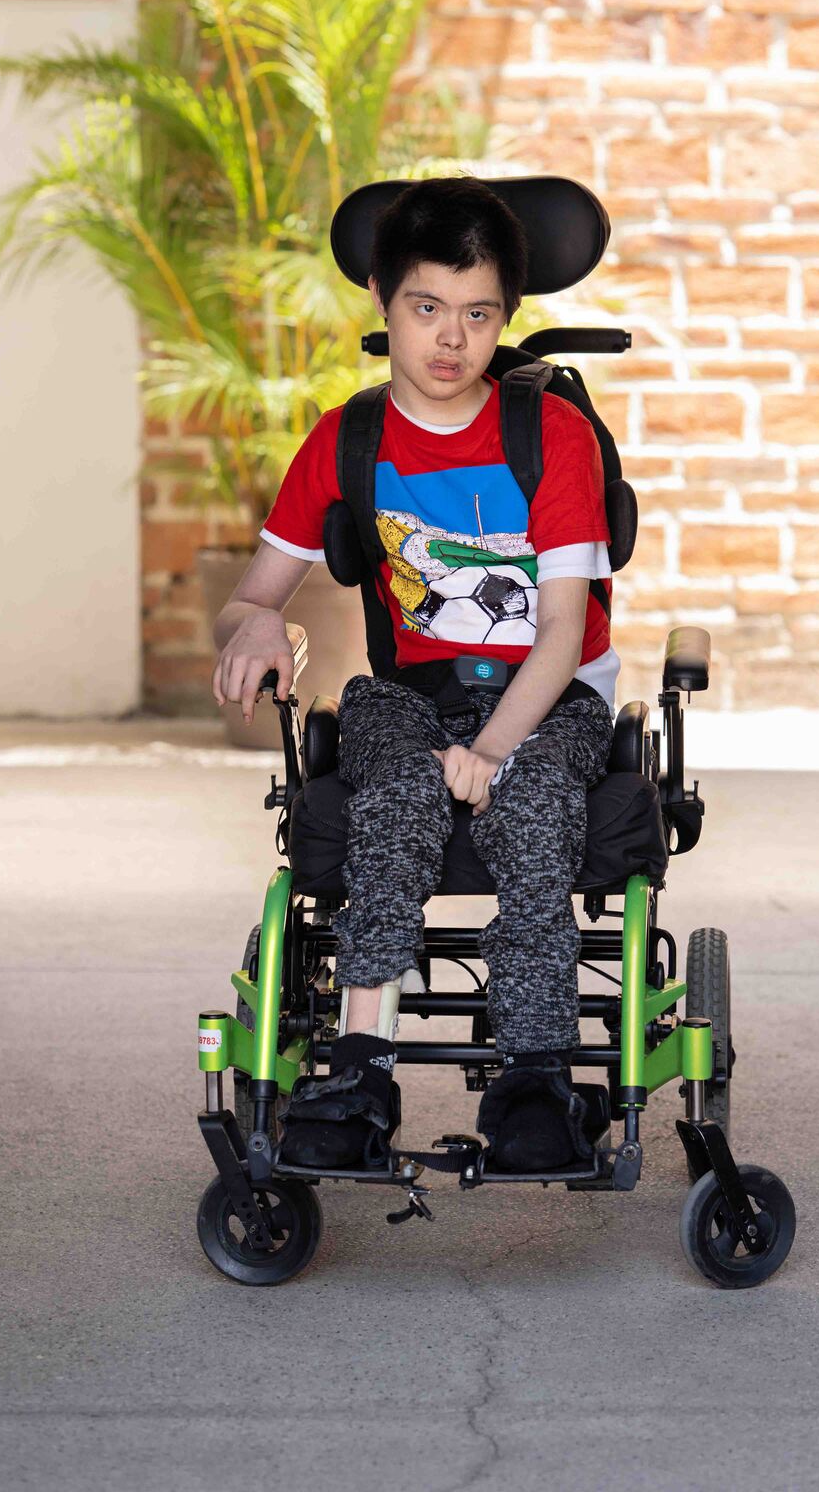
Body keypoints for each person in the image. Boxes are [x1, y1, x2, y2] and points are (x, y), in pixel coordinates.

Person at [211, 176, 619, 1172]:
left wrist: (490, 748)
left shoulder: (549, 435)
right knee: (389, 799)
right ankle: (359, 1067)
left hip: (548, 692)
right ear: (383, 306)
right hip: (412, 692)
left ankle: (532, 1074)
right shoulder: (346, 438)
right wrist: (257, 624)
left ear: (504, 321)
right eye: (425, 308)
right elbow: (251, 592)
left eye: (477, 315)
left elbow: (562, 632)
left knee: (530, 816)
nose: (450, 340)